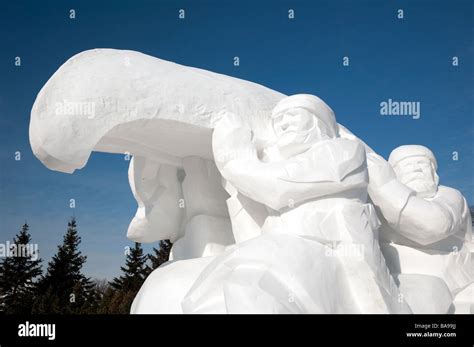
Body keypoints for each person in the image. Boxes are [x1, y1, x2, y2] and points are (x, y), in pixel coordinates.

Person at [182, 94, 410, 313]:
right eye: (278, 119)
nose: (283, 123)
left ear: (318, 122)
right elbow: (257, 218)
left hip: (330, 248)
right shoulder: (274, 165)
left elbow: (279, 186)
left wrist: (235, 162)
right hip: (283, 250)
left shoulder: (342, 152)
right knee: (211, 293)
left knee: (252, 287)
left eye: (293, 115)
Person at [367, 145, 473, 313]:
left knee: (425, 294)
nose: (416, 168)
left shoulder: (450, 195)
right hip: (398, 278)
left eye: (422, 164)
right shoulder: (380, 204)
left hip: (457, 279)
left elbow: (435, 224)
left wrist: (384, 185)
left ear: (434, 173)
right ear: (395, 173)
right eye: (407, 165)